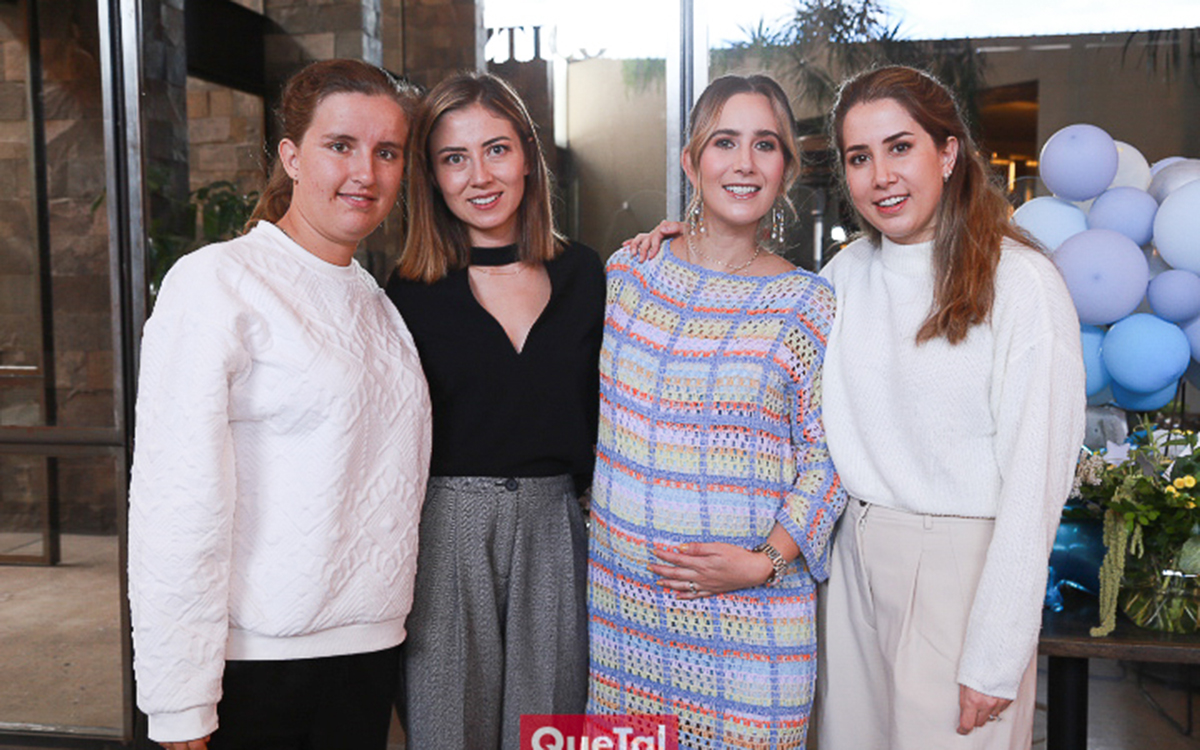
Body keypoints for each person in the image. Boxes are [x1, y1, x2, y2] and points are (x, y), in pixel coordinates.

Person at [127, 59, 431, 750]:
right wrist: (179, 699)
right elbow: (177, 501)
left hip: (368, 649)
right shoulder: (216, 282)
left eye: (386, 152)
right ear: (291, 157)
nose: (366, 172)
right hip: (257, 663)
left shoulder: (377, 303)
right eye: (340, 145)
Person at [815, 66, 1086, 749]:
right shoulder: (844, 275)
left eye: (900, 147)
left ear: (947, 152)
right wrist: (683, 243)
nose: (881, 176)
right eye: (859, 157)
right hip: (850, 565)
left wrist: (997, 653)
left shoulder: (1021, 282)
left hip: (961, 576)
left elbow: (1035, 486)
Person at [588, 74, 846, 749]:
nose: (744, 163)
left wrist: (765, 562)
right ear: (690, 161)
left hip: (754, 629)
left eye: (766, 145)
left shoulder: (809, 304)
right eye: (725, 142)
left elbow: (830, 460)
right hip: (627, 622)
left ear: (786, 169)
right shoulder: (628, 274)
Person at [386, 71, 605, 750]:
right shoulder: (407, 291)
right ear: (432, 177)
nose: (479, 176)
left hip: (555, 527)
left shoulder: (588, 275)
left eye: (496, 149)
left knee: (550, 728)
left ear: (528, 157)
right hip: (446, 528)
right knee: (446, 728)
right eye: (454, 158)